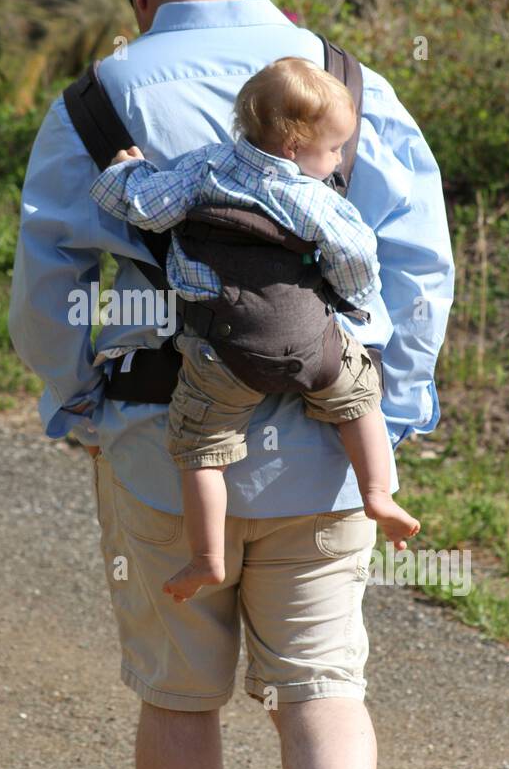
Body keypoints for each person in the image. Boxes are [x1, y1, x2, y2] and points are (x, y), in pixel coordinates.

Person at [8, 0, 454, 769]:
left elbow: (50, 280)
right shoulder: (347, 81)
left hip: (164, 444)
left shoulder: (96, 99)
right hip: (324, 446)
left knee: (179, 700)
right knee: (321, 687)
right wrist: (389, 410)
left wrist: (73, 398)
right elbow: (417, 257)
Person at [90, 55, 421, 605]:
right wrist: (352, 300)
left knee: (199, 449)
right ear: (294, 147)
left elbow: (143, 208)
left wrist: (127, 170)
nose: (338, 160)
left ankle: (207, 556)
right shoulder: (316, 199)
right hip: (313, 346)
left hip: (224, 352)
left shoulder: (204, 168)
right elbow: (358, 255)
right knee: (360, 401)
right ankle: (378, 494)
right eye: (334, 148)